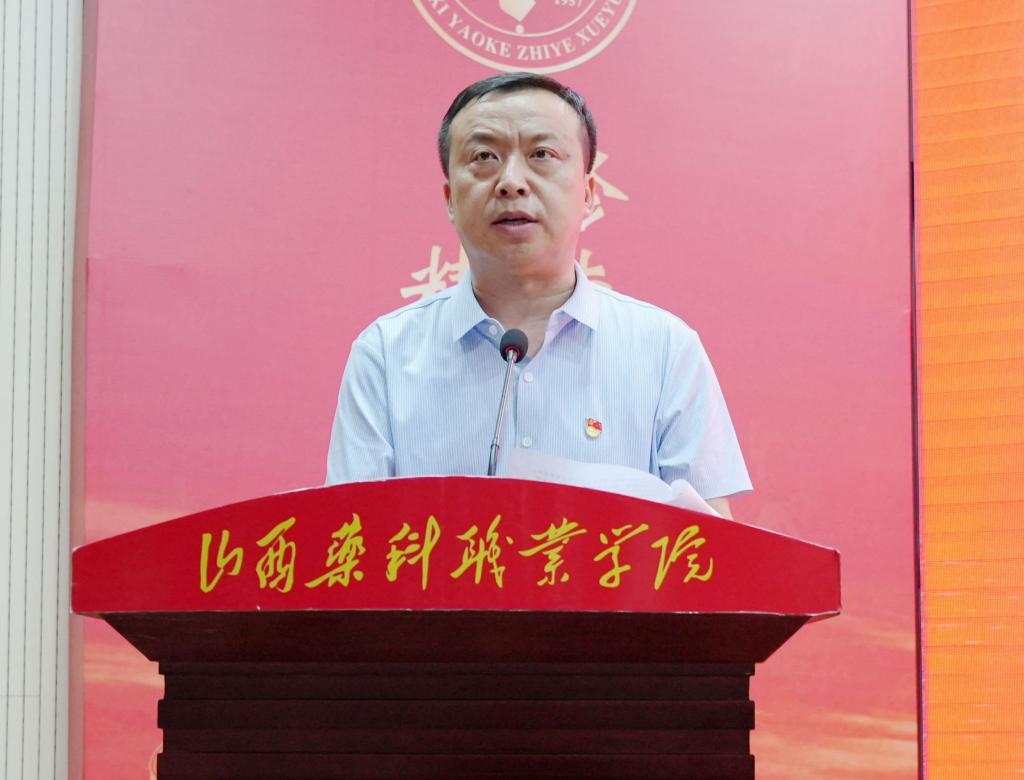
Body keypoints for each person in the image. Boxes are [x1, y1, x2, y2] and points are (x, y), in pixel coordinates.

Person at [326, 73, 751, 518]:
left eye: (542, 154)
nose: (511, 182)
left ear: (588, 194)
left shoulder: (665, 350)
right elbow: (352, 537)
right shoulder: (385, 354)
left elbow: (709, 546)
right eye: (484, 156)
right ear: (450, 198)